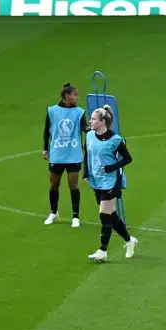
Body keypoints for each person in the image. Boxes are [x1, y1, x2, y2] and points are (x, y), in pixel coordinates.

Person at [84, 105, 136, 263]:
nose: (91, 121)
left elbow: (128, 158)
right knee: (111, 215)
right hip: (96, 180)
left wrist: (111, 167)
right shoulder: (90, 135)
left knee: (104, 214)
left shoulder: (115, 140)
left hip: (111, 181)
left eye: (93, 119)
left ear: (102, 122)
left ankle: (103, 250)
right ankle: (129, 240)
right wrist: (86, 172)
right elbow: (87, 154)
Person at [44, 82, 86, 228]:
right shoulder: (52, 111)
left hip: (73, 153)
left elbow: (84, 127)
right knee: (54, 184)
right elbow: (46, 130)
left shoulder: (79, 112)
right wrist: (45, 149)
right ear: (67, 96)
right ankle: (53, 212)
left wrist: (93, 127)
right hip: (57, 153)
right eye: (75, 95)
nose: (77, 97)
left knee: (73, 185)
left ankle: (75, 216)